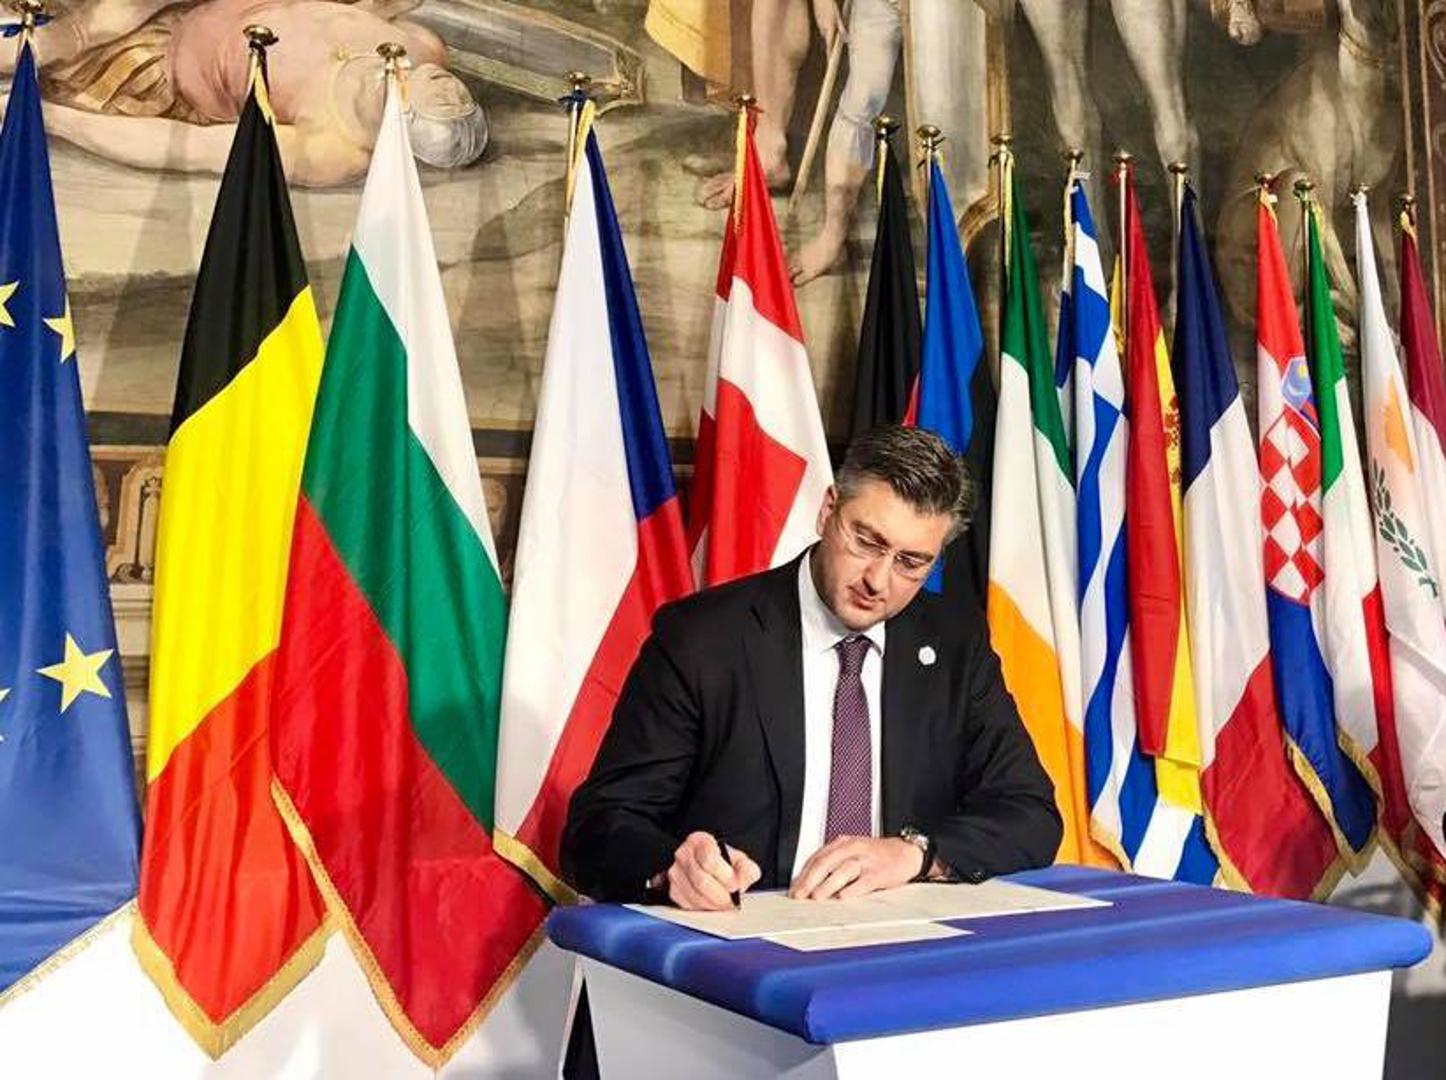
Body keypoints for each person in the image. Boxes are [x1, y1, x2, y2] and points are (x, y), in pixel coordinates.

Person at [562, 425, 1061, 910]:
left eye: (911, 562)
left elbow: (1031, 813)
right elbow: (598, 828)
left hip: (896, 939)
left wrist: (913, 854)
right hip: (742, 937)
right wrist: (671, 867)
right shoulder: (703, 639)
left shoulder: (954, 642)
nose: (877, 580)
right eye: (866, 541)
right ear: (828, 511)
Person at [11, 0, 485, 186]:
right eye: (462, 94)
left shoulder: (331, 149)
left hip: (148, 58)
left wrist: (46, 117)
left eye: (445, 105)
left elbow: (189, 148)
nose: (449, 88)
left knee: (40, 40)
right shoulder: (424, 48)